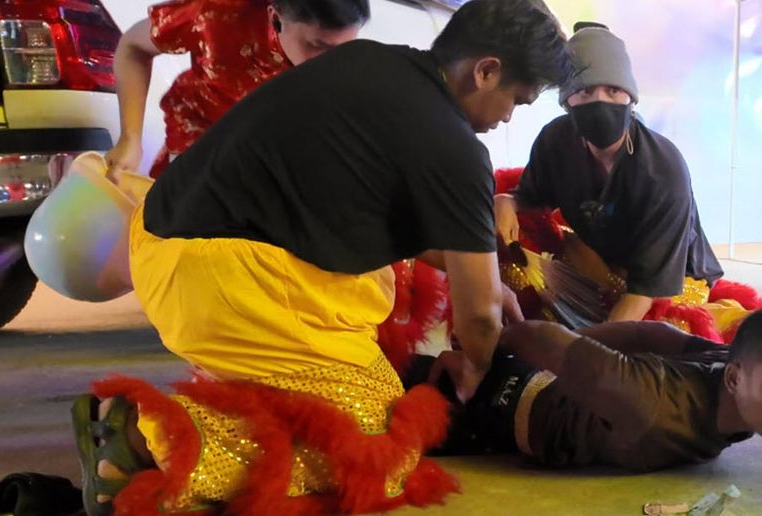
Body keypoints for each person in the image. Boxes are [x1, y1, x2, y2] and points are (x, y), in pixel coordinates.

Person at [70, 0, 575, 514]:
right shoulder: (456, 146)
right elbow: (479, 319)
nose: (508, 116)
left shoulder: (370, 62)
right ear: (486, 71)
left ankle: (212, 406)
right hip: (224, 279)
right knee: (377, 442)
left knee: (361, 388)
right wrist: (475, 365)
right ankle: (142, 436)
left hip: (162, 241)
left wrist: (483, 281)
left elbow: (362, 214)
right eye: (517, 100)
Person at [494, 22, 724, 323]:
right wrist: (506, 201)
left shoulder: (663, 169)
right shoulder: (556, 140)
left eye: (613, 90)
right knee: (512, 272)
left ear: (630, 98)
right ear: (567, 101)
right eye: (585, 91)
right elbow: (530, 195)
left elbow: (645, 291)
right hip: (605, 266)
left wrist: (596, 345)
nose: (599, 101)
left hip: (672, 279)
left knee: (663, 332)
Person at [410, 310, 762, 472]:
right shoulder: (652, 401)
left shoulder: (729, 364)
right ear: (733, 379)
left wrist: (578, 344)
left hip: (548, 388)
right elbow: (538, 336)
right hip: (490, 399)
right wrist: (482, 351)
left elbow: (656, 334)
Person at [105, 0, 370, 179]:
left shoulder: (353, 65)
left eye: (344, 48)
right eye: (317, 46)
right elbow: (134, 48)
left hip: (271, 172)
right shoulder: (218, 14)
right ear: (275, 17)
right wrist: (130, 138)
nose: (331, 62)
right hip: (199, 156)